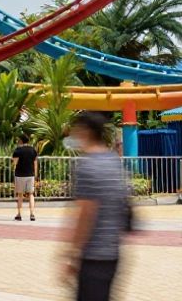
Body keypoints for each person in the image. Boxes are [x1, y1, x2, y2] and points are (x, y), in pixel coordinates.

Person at [63, 112, 127, 301]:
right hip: (113, 252)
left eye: (76, 130)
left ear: (86, 132)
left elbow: (85, 214)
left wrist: (72, 254)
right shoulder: (114, 162)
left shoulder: (87, 166)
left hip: (92, 255)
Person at [12, 133, 38, 221]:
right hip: (30, 174)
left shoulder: (18, 150)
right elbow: (35, 163)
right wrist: (35, 174)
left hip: (20, 175)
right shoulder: (33, 150)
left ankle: (19, 214)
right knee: (31, 194)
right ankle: (32, 214)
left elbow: (14, 163)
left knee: (20, 195)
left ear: (21, 141)